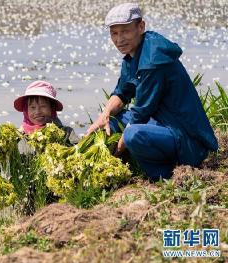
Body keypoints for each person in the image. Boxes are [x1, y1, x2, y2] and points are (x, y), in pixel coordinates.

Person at [86, 3, 218, 179]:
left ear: (141, 27)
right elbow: (122, 92)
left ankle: (162, 174)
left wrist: (118, 149)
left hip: (185, 137)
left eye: (125, 31)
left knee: (132, 134)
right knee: (112, 121)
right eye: (114, 33)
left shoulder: (153, 61)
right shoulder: (133, 54)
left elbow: (140, 113)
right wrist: (104, 115)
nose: (119, 39)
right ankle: (146, 160)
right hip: (162, 123)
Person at [13, 80, 80, 152]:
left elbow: (78, 150)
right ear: (26, 110)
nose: (37, 112)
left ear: (52, 108)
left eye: (43, 106)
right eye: (32, 107)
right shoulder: (17, 137)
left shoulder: (66, 133)